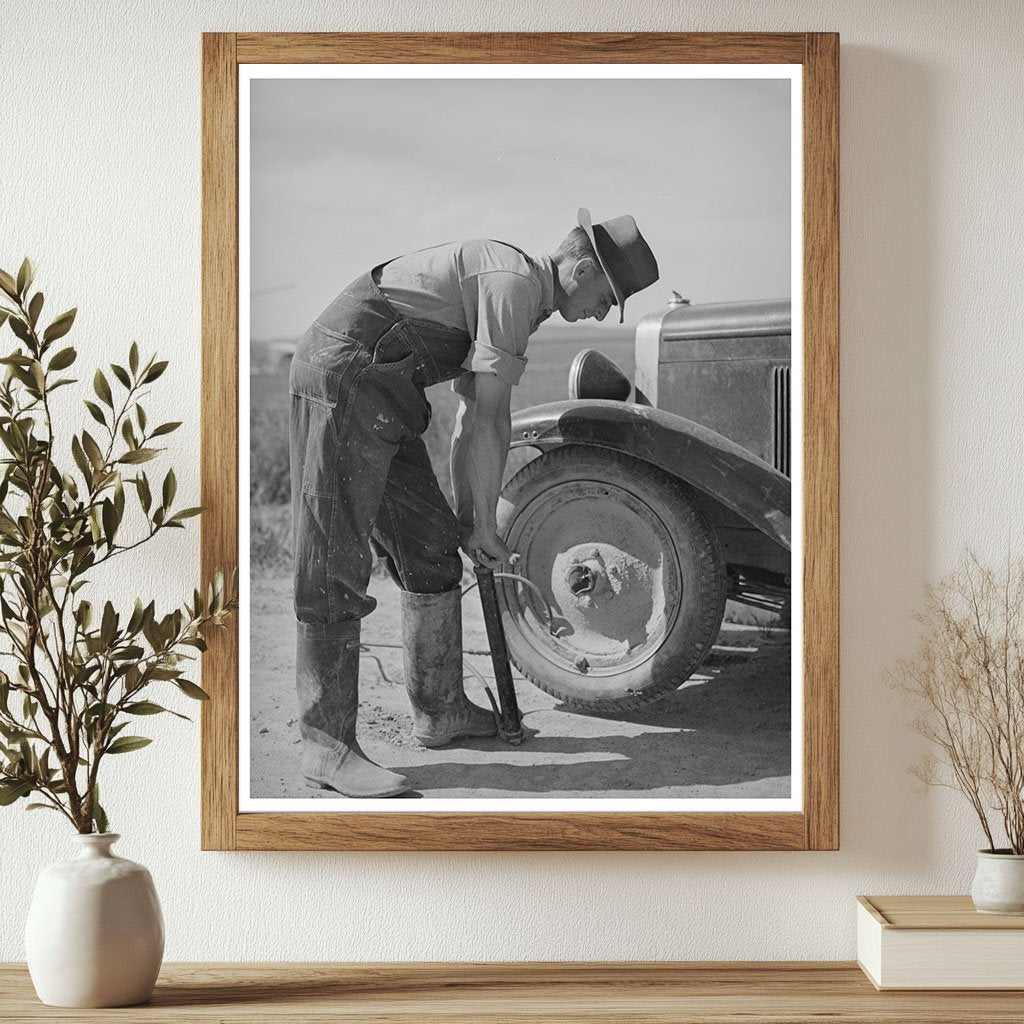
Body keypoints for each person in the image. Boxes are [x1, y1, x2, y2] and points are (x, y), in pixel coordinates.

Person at [289, 208, 659, 797]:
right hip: (346, 376)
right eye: (605, 297)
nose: (598, 313)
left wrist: (471, 522)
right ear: (582, 267)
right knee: (334, 556)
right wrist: (486, 522)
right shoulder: (511, 283)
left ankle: (439, 712)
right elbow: (491, 415)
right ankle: (327, 746)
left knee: (433, 544)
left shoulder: (520, 295)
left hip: (387, 390)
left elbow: (469, 416)